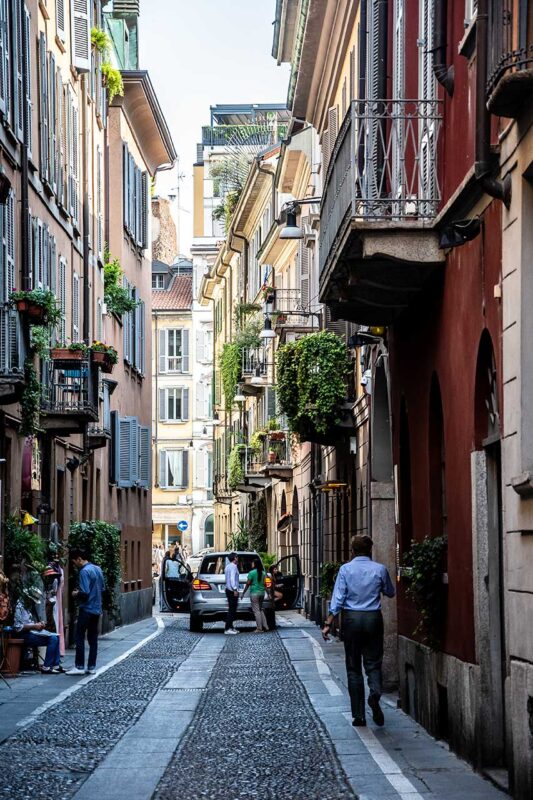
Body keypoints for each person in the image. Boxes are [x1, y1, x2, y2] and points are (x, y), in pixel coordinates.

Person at [322, 535, 395, 728]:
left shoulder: (345, 570)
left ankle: (359, 715)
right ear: (370, 550)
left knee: (353, 667)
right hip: (372, 618)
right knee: (373, 662)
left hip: (352, 619)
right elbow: (390, 591)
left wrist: (329, 622)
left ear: (352, 551)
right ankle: (375, 692)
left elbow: (338, 598)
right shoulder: (379, 569)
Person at [66, 548, 105, 676]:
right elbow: (102, 589)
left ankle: (79, 666)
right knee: (93, 639)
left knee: (79, 637)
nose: (74, 565)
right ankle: (92, 666)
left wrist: (75, 593)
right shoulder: (98, 569)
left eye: (74, 562)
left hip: (86, 609)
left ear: (79, 559)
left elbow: (85, 593)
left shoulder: (84, 571)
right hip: (96, 609)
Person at [14, 589, 63, 674]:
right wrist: (34, 626)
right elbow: (18, 627)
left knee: (56, 637)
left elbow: (29, 622)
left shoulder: (27, 606)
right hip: (24, 634)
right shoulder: (20, 606)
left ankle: (56, 665)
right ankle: (47, 666)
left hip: (31, 632)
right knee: (53, 639)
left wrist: (38, 624)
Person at [242, 558, 269, 632]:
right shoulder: (263, 573)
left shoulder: (251, 573)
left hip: (254, 593)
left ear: (255, 564)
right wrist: (268, 594)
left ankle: (259, 628)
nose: (252, 564)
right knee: (260, 609)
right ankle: (266, 626)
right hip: (262, 593)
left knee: (256, 611)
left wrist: (243, 593)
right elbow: (265, 585)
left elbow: (248, 584)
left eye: (253, 563)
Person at [224, 552, 240, 635]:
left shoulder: (228, 566)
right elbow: (232, 579)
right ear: (234, 558)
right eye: (237, 557)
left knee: (232, 610)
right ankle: (227, 628)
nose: (238, 558)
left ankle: (231, 627)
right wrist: (235, 589)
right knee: (232, 610)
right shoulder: (233, 567)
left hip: (228, 589)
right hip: (231, 590)